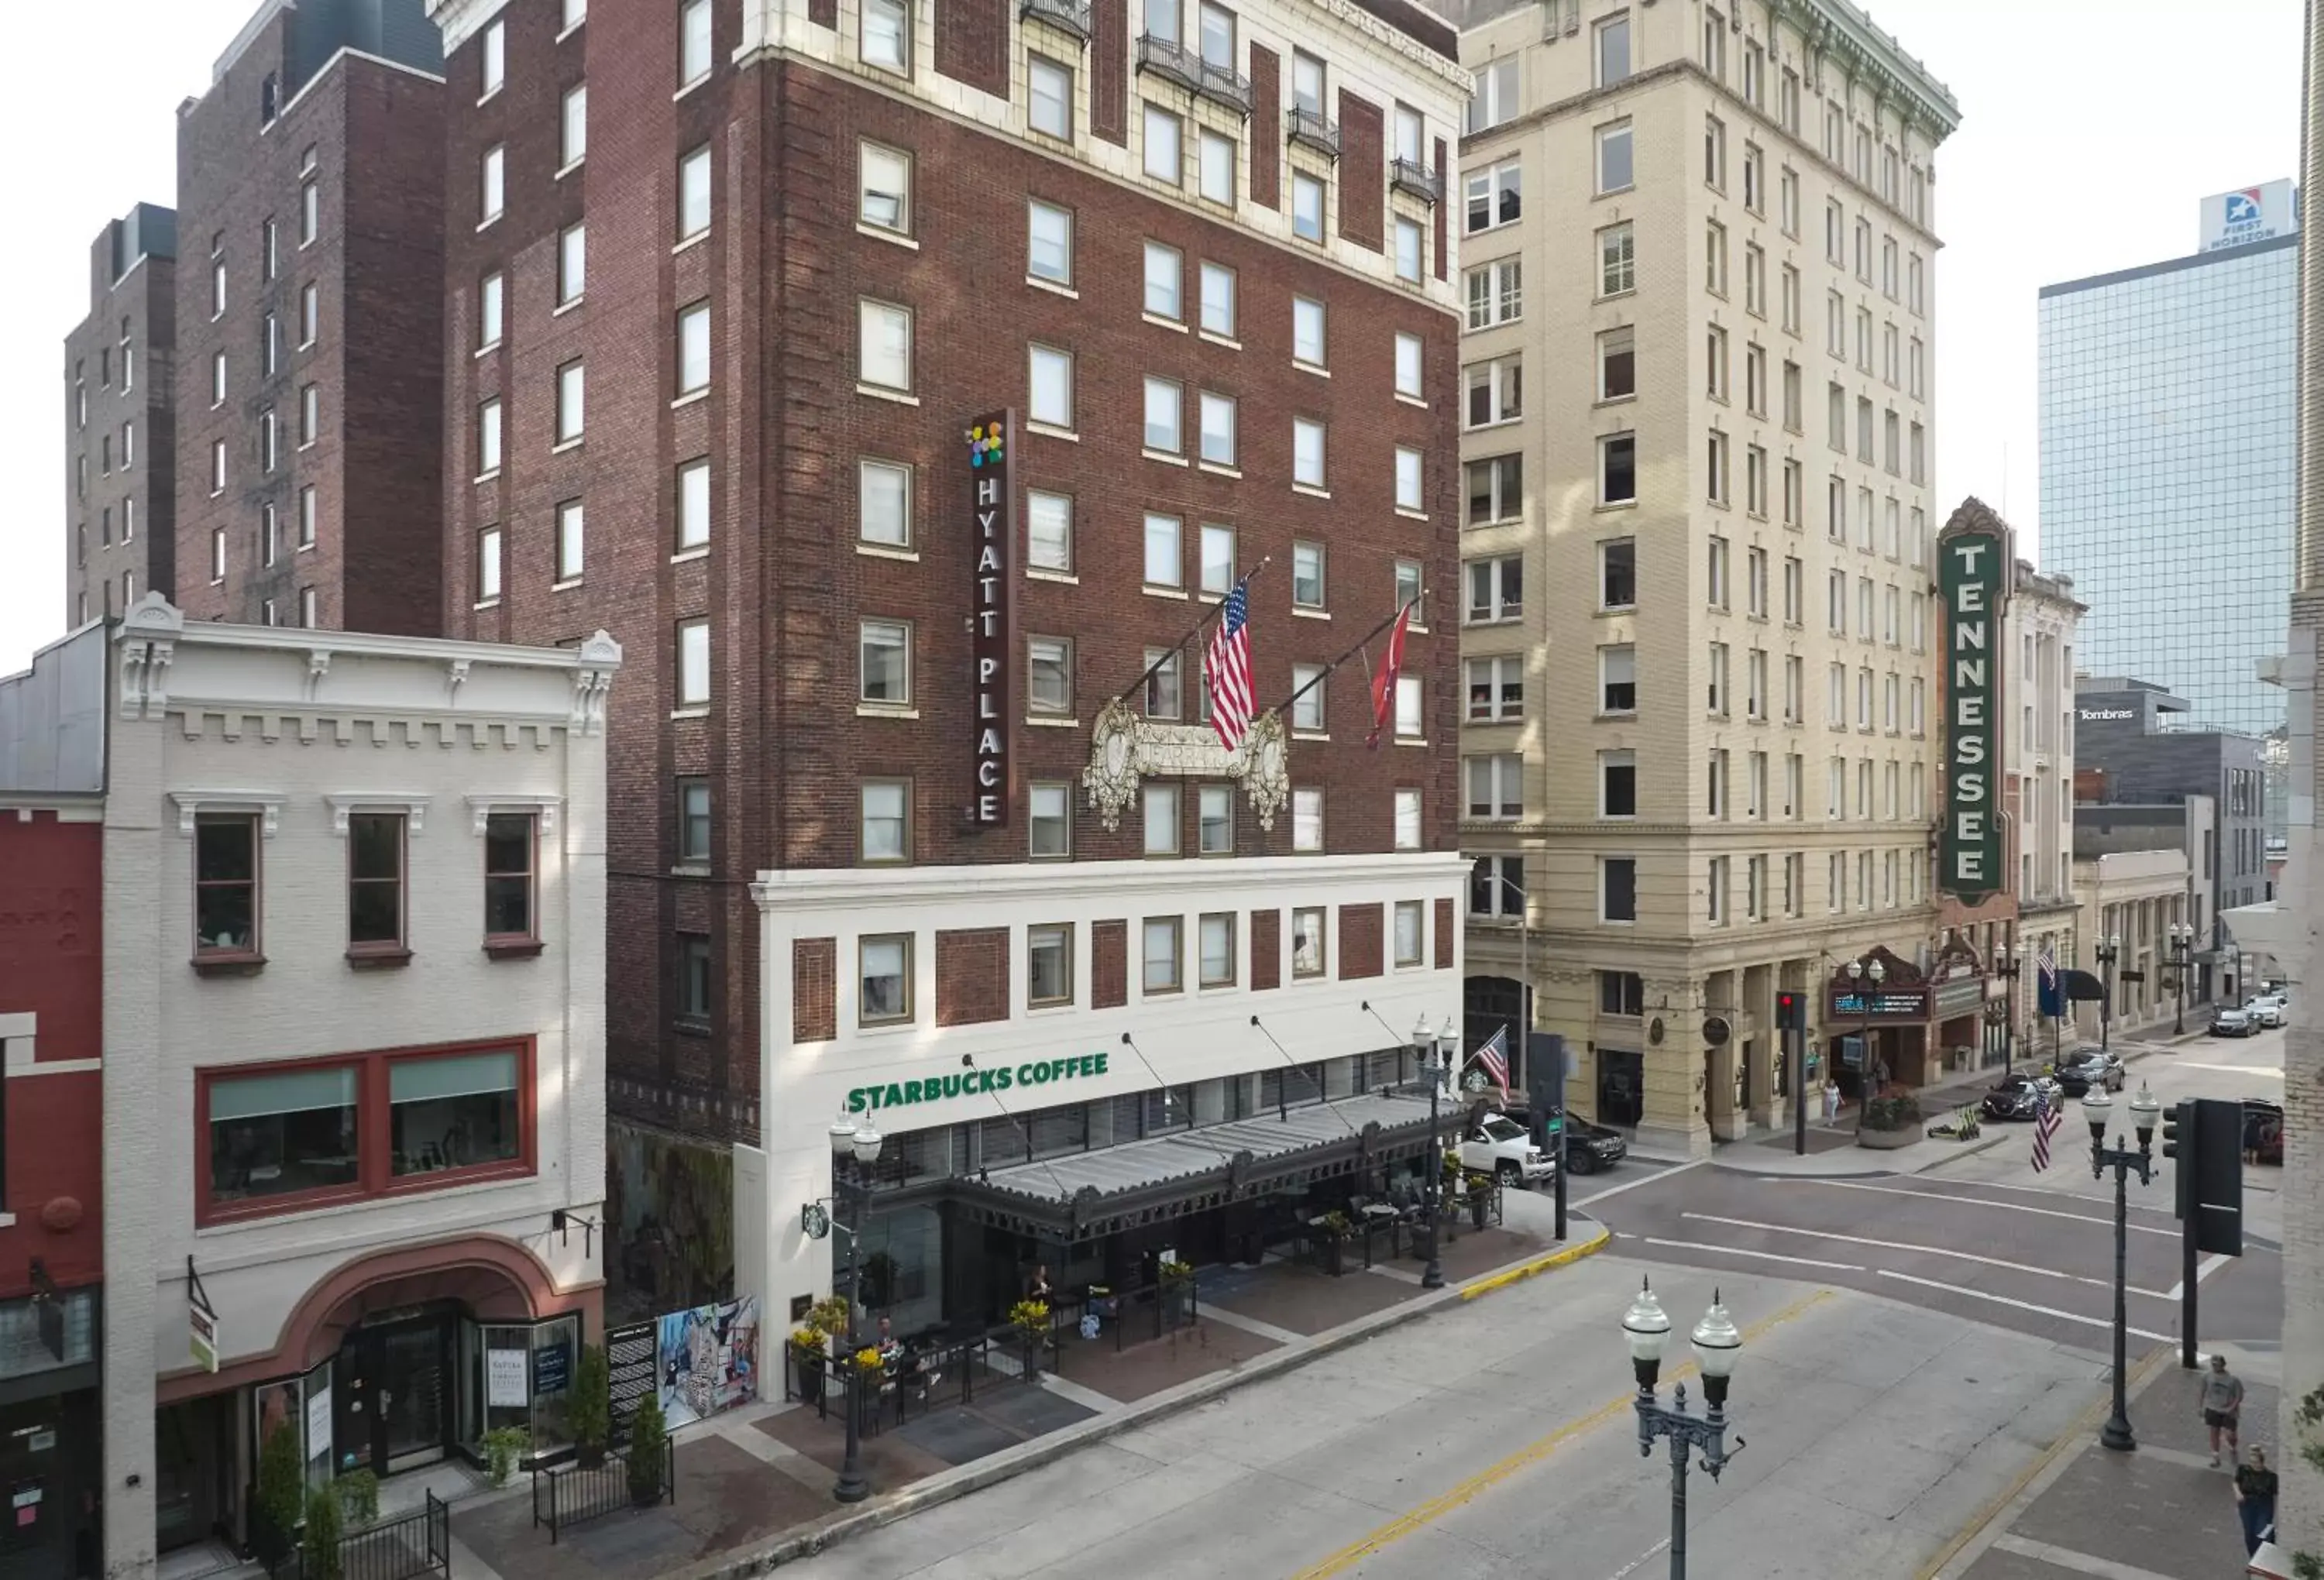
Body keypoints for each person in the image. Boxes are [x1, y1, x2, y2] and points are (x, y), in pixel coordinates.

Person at [2202, 1354, 2245, 1466]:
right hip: (2213, 1408)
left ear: (2223, 1365)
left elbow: (2239, 1396)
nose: (2215, 1366)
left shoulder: (2233, 1380)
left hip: (2228, 1411)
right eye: (2213, 1364)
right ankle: (2215, 1456)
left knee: (2231, 1435)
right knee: (2214, 1432)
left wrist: (2232, 1407)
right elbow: (2202, 1391)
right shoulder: (2207, 1377)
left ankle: (2232, 1447)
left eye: (2217, 1364)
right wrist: (2200, 1406)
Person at [2234, 1445, 2278, 1558]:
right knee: (2249, 1532)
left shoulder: (2271, 1477)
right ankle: (2253, 1557)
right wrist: (2238, 1493)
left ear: (2261, 1463)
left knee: (2262, 1531)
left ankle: (2266, 1553)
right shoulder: (2244, 1470)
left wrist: (2273, 1511)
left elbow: (2275, 1494)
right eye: (2251, 1462)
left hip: (2263, 1505)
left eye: (2256, 1463)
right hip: (2247, 1504)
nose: (2253, 1465)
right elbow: (2236, 1481)